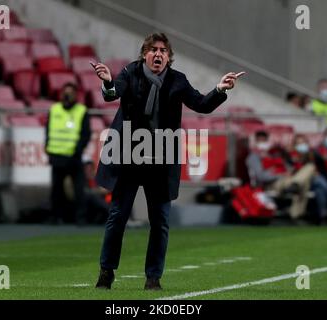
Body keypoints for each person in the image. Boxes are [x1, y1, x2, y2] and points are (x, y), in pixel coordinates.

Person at [91, 33, 243, 290]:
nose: (158, 54)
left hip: (160, 160)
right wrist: (107, 82)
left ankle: (153, 278)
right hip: (129, 156)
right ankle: (107, 272)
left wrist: (220, 89)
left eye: (163, 50)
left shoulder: (177, 80)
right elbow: (113, 92)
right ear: (145, 54)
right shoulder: (130, 73)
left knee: (160, 221)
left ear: (168, 57)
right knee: (117, 216)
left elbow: (201, 104)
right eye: (153, 50)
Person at [45, 83, 91, 225]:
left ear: (76, 95)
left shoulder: (81, 111)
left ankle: (81, 218)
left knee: (79, 190)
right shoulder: (54, 109)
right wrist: (47, 147)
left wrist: (77, 150)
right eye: (66, 92)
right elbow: (48, 130)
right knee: (56, 190)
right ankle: (56, 217)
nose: (67, 95)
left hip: (74, 157)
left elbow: (85, 134)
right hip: (57, 156)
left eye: (70, 92)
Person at [246, 130, 316, 219]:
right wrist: (278, 174)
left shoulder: (273, 154)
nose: (262, 143)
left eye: (264, 140)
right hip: (273, 183)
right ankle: (295, 214)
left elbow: (288, 167)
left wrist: (290, 167)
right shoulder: (254, 157)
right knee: (304, 183)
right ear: (256, 142)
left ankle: (294, 212)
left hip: (287, 179)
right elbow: (261, 177)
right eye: (260, 141)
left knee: (310, 167)